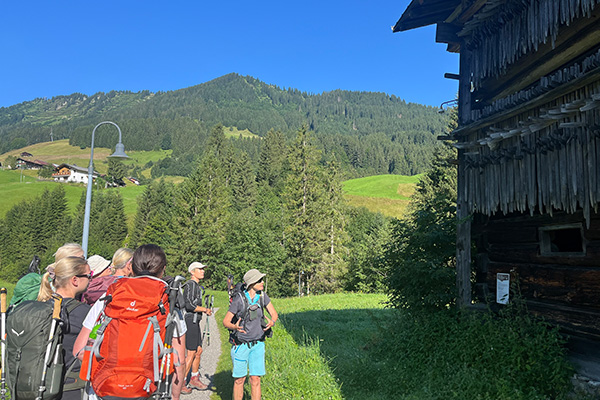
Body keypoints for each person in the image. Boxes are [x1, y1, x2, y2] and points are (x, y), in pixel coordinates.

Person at [73, 244, 187, 400]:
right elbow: (178, 363)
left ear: (131, 268)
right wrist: (175, 397)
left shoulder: (110, 295)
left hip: (104, 390)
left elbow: (79, 349)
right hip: (149, 390)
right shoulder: (169, 302)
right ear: (163, 269)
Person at [37, 256, 92, 400]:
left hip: (38, 384)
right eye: (88, 275)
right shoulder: (85, 312)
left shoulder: (40, 307)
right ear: (75, 280)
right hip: (69, 387)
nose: (90, 279)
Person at [223, 269, 278, 400]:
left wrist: (272, 322)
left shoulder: (263, 296)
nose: (262, 282)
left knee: (255, 379)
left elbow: (274, 314)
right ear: (251, 283)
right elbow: (226, 321)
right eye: (259, 280)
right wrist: (234, 326)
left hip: (258, 344)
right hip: (241, 345)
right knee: (239, 380)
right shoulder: (239, 300)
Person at [11, 243, 84, 307]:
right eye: (81, 259)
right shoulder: (58, 284)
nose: (85, 262)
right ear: (67, 263)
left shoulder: (49, 278)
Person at [182, 262, 212, 393]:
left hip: (195, 321)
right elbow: (188, 305)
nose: (203, 271)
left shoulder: (196, 286)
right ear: (192, 272)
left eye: (203, 269)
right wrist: (205, 309)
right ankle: (182, 383)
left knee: (198, 350)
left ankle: (194, 378)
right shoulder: (190, 285)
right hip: (190, 321)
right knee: (191, 352)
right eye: (200, 269)